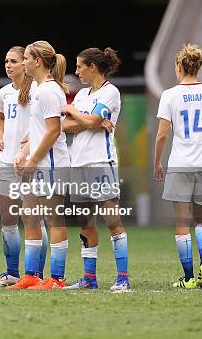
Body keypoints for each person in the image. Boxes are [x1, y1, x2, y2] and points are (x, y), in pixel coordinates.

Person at [154, 44, 202, 289]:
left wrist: (157, 162)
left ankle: (188, 278)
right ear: (198, 66)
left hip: (181, 164)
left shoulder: (169, 95)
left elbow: (162, 135)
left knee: (182, 222)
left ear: (179, 66)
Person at [62, 47, 130, 292]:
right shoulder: (81, 94)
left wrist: (74, 112)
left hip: (102, 163)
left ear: (93, 67)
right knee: (85, 222)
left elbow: (84, 120)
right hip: (78, 163)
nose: (77, 70)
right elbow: (67, 126)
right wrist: (88, 119)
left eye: (80, 66)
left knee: (112, 221)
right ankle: (89, 278)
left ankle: (123, 277)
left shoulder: (110, 92)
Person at [8, 41, 69, 290]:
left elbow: (54, 130)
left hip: (52, 165)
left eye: (26, 59)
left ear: (38, 61)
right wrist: (24, 152)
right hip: (37, 163)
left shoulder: (50, 91)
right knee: (29, 215)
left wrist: (33, 159)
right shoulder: (36, 87)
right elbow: (39, 130)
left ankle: (57, 278)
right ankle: (32, 275)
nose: (23, 63)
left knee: (55, 221)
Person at [0, 46, 42, 288]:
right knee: (7, 219)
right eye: (6, 61)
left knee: (32, 219)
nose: (8, 65)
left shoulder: (37, 91)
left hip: (31, 163)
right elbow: (0, 118)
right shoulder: (4, 93)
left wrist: (28, 148)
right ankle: (11, 272)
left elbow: (46, 127)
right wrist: (1, 136)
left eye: (14, 61)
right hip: (7, 162)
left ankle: (37, 274)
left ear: (25, 64)